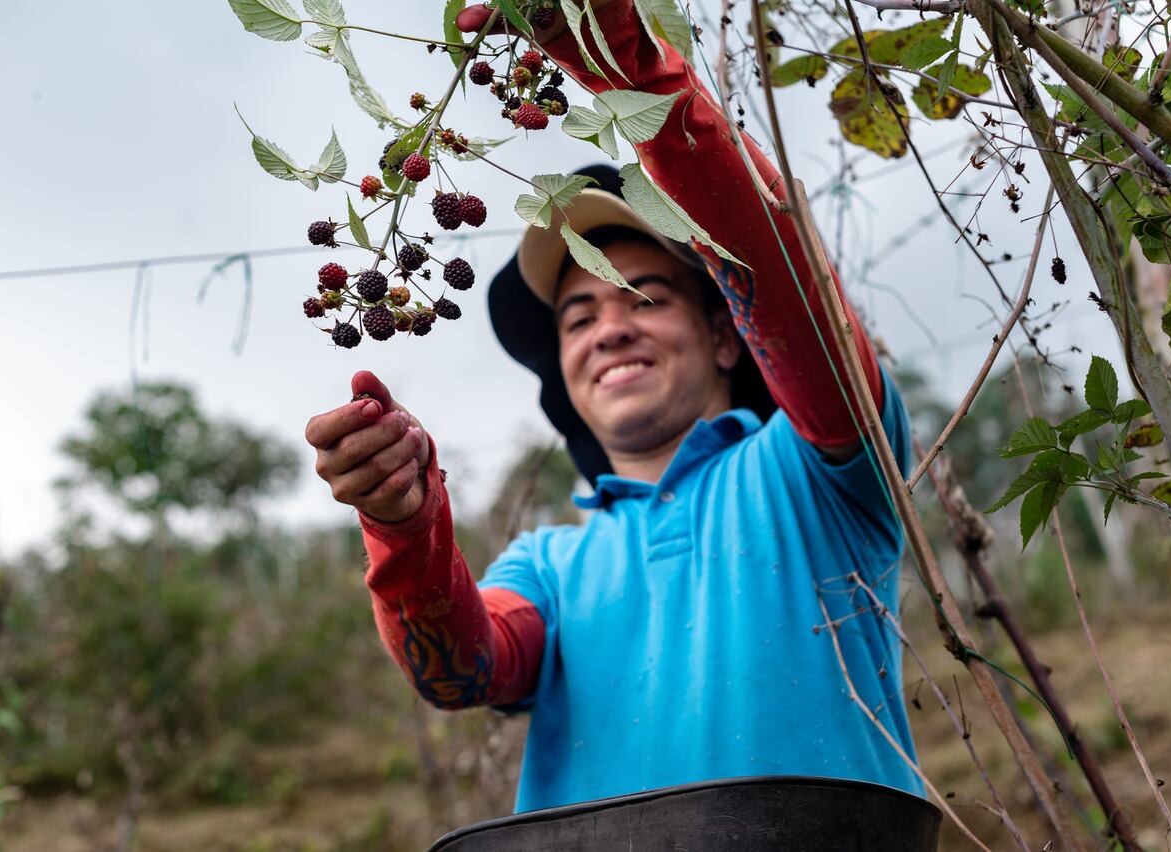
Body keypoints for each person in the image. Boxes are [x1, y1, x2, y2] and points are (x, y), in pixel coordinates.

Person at [305, 0, 923, 814]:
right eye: (580, 317)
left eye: (643, 295)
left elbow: (771, 267)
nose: (610, 330)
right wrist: (404, 523)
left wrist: (616, 50)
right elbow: (463, 666)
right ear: (563, 369)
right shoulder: (547, 570)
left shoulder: (818, 475)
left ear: (726, 334)